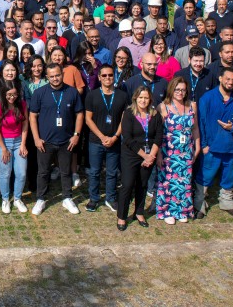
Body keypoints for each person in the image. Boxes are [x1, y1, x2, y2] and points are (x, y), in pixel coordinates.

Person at [29, 63, 83, 216]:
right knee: (43, 172)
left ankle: (67, 197)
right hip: (45, 142)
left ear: (62, 74)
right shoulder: (40, 93)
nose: (55, 78)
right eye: (51, 76)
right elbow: (32, 116)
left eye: (57, 75)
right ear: (47, 77)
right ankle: (41, 198)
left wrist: (76, 135)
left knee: (66, 171)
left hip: (66, 140)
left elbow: (80, 114)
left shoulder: (72, 92)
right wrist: (36, 138)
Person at [195, 68, 233, 219]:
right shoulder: (207, 98)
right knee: (205, 175)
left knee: (229, 175)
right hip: (211, 147)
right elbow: (201, 123)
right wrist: (204, 145)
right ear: (220, 78)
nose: (230, 82)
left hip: (231, 147)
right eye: (228, 79)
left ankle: (226, 200)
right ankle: (199, 201)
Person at [116, 86, 163, 230]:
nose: (143, 100)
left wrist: (151, 156)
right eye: (141, 97)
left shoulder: (155, 115)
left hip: (150, 154)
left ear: (150, 99)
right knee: (128, 185)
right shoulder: (129, 113)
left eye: (146, 98)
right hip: (132, 154)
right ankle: (122, 216)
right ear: (136, 98)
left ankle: (139, 212)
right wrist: (145, 156)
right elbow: (128, 139)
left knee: (142, 185)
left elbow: (158, 137)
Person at [155, 77, 200, 224]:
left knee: (184, 182)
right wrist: (159, 154)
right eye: (177, 89)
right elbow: (158, 132)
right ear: (171, 90)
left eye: (183, 89)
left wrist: (197, 147)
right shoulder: (163, 106)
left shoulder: (192, 105)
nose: (180, 92)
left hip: (186, 151)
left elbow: (195, 128)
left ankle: (182, 210)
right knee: (168, 182)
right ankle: (167, 211)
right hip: (168, 151)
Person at [84, 64, 126, 213]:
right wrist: (102, 136)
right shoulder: (92, 95)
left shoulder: (122, 95)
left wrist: (114, 137)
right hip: (96, 141)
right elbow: (88, 119)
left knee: (112, 172)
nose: (108, 78)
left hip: (114, 141)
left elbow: (124, 119)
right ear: (100, 77)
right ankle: (94, 198)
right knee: (95, 171)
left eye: (110, 75)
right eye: (104, 75)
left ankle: (110, 197)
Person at [0, 79, 30, 214]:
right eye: (9, 95)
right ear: (3, 94)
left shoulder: (22, 105)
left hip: (19, 140)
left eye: (14, 94)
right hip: (3, 141)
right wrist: (3, 149)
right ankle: (5, 199)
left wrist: (23, 144)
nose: (12, 97)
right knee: (6, 172)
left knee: (21, 173)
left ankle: (18, 198)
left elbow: (25, 124)